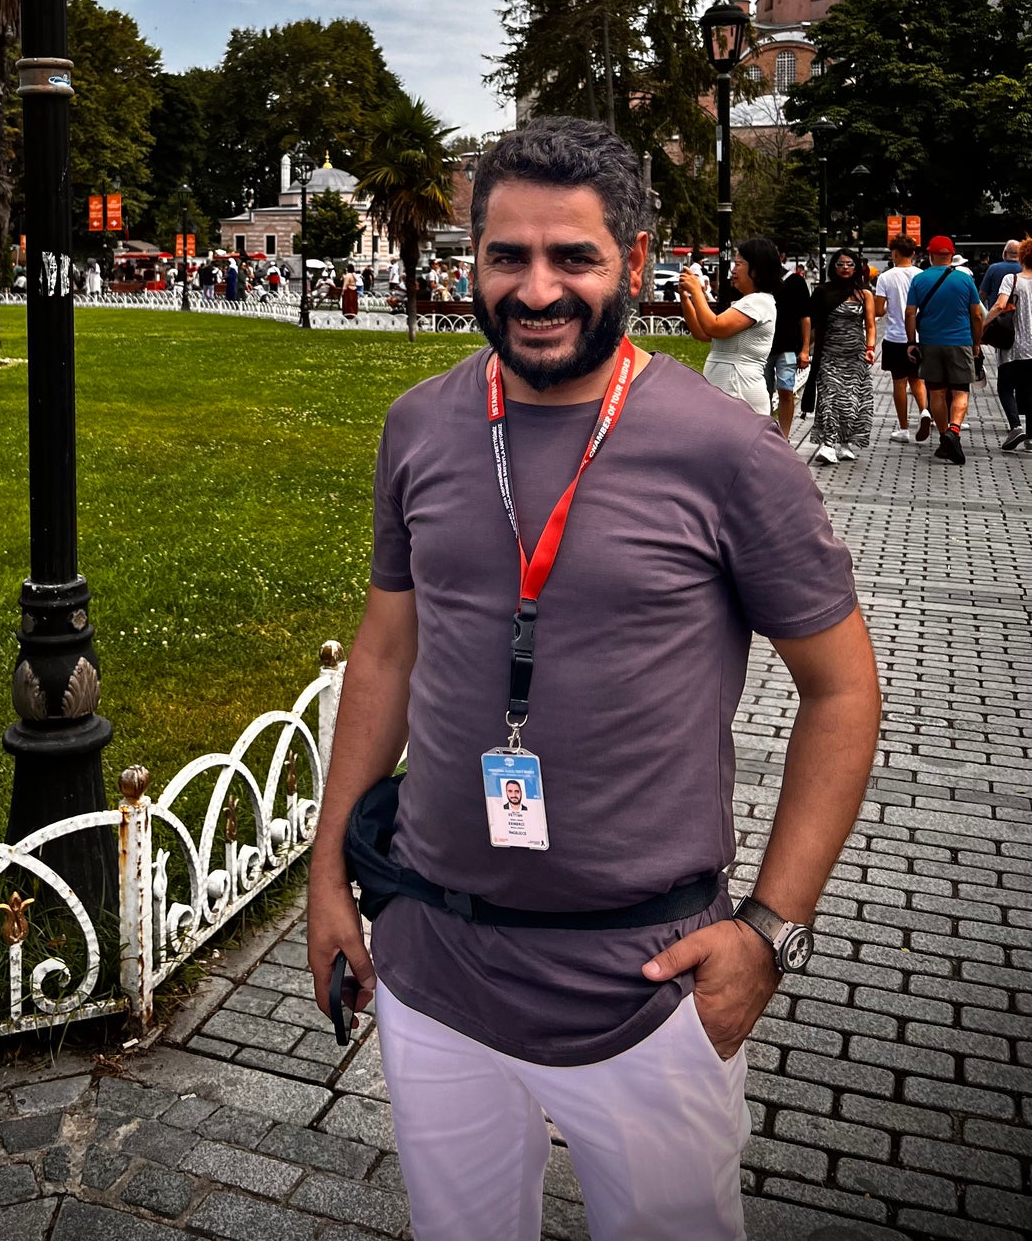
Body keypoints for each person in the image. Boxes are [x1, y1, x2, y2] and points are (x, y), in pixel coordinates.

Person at [307, 118, 879, 1241]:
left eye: (572, 257)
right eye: (505, 256)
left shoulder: (724, 450)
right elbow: (383, 651)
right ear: (468, 258)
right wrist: (329, 874)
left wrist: (767, 932)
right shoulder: (419, 424)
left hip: (646, 981)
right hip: (432, 961)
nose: (535, 288)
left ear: (636, 258)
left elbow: (842, 689)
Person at [677, 236, 781, 415]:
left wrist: (696, 291)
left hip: (739, 387)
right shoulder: (747, 302)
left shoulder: (758, 302)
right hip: (728, 387)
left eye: (739, 264)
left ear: (757, 269)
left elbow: (714, 327)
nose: (733, 271)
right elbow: (702, 333)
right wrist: (686, 299)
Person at [905, 235, 984, 467]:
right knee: (961, 391)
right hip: (960, 342)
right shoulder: (965, 279)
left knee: (936, 393)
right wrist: (976, 342)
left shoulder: (920, 280)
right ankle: (954, 431)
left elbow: (910, 313)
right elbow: (977, 314)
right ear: (952, 255)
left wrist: (912, 342)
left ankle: (944, 437)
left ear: (929, 255)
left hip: (930, 343)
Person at [805, 250, 875, 465]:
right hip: (828, 353)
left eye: (850, 264)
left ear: (856, 267)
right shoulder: (822, 292)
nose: (845, 268)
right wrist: (805, 348)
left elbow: (870, 325)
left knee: (852, 400)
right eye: (841, 264)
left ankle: (845, 443)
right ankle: (828, 444)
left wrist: (870, 348)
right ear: (833, 267)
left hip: (855, 354)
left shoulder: (864, 294)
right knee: (829, 397)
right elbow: (812, 323)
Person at [875, 235, 932, 445]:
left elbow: (879, 310)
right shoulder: (922, 275)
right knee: (917, 379)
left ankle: (904, 428)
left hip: (895, 337)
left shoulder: (886, 277)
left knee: (899, 383)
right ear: (914, 254)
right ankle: (925, 411)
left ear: (894, 253)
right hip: (919, 336)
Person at [983, 237, 1032, 451]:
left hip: (1013, 345)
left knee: (1005, 387)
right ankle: (1030, 438)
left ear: (1022, 256)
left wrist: (983, 325)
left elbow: (999, 306)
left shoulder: (1012, 280)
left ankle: (1015, 427)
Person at [766, 254, 812, 440]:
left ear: (782, 256)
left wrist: (805, 349)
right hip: (764, 347)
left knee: (786, 390)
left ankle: (784, 436)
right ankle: (765, 433)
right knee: (763, 392)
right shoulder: (759, 282)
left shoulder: (796, 282)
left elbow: (805, 317)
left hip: (788, 347)